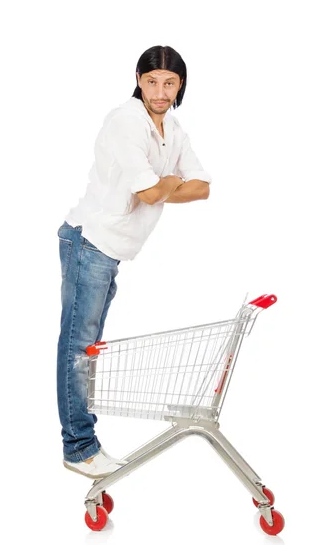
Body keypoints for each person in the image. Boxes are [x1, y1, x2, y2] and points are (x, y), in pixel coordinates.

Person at [57, 44, 212, 478]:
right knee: (77, 350)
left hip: (113, 250)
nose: (159, 91)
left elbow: (202, 188)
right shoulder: (126, 121)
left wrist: (166, 184)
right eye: (151, 81)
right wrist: (168, 181)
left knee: (88, 349)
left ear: (181, 85)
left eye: (169, 82)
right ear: (139, 80)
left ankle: (84, 443)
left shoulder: (173, 128)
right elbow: (148, 194)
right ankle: (79, 447)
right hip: (90, 243)